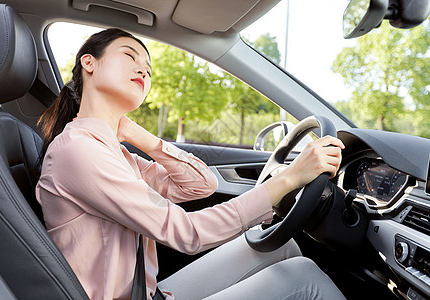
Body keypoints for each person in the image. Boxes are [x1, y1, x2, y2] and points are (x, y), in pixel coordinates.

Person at [36, 28, 346, 300]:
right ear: (89, 62)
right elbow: (187, 233)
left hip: (150, 292)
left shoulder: (114, 151)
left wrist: (137, 135)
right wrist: (289, 179)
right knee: (304, 277)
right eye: (130, 56)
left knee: (280, 246)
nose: (143, 70)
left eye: (148, 67)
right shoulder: (79, 151)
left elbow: (201, 184)